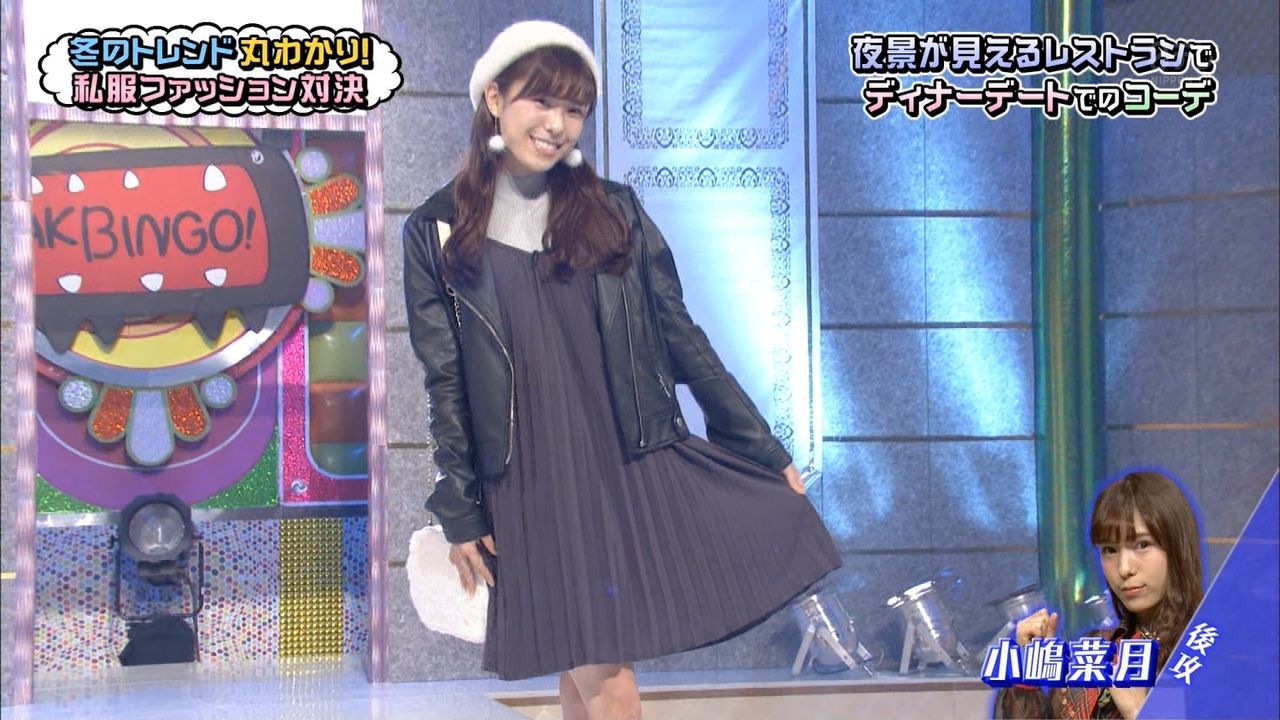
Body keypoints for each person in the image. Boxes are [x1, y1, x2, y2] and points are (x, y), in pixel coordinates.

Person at [402, 20, 841, 720]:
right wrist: (458, 505)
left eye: (574, 109)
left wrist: (760, 446)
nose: (556, 125)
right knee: (607, 687)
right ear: (494, 98)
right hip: (529, 480)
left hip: (625, 462)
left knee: (589, 674)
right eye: (540, 101)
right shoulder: (437, 230)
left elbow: (681, 337)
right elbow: (445, 380)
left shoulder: (614, 212)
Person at [995, 470, 1205, 719]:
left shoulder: (1206, 653)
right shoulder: (1099, 651)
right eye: (1109, 550)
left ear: (1177, 548)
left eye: (1142, 545)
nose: (1124, 568)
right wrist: (1027, 676)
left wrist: (1139, 712)